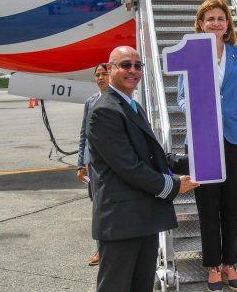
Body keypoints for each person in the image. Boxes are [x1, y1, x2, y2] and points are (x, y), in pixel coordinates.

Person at [87, 46, 199, 292]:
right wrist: (174, 185)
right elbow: (129, 167)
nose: (133, 71)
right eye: (125, 65)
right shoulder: (105, 110)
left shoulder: (131, 106)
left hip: (143, 218)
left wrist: (198, 160)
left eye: (138, 66)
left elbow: (153, 156)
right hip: (122, 222)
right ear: (109, 69)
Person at [177, 0, 237, 292]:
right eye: (209, 18)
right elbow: (182, 98)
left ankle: (230, 263)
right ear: (200, 23)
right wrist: (199, 113)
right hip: (204, 139)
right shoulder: (192, 54)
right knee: (208, 205)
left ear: (228, 24)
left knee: (232, 204)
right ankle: (213, 265)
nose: (215, 23)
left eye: (220, 18)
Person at [77, 63, 109, 266]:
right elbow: (84, 134)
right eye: (97, 75)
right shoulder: (91, 102)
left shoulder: (122, 100)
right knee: (97, 208)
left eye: (103, 74)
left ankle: (113, 248)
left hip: (112, 163)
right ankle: (100, 249)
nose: (100, 78)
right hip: (94, 165)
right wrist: (81, 163)